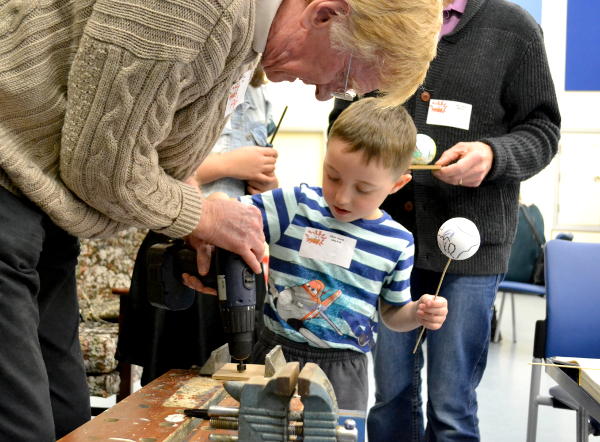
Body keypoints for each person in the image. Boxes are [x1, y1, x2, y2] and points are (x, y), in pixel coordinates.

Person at [0, 0, 443, 439]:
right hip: (8, 192)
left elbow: (158, 152)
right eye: (345, 79)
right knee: (24, 426)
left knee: (69, 419)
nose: (325, 94)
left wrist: (193, 213)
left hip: (47, 215)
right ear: (325, 14)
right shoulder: (192, 7)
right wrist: (202, 214)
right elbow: (102, 165)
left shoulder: (246, 45)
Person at [329, 0, 561, 440]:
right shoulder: (383, 13)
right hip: (387, 241)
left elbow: (543, 131)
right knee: (391, 396)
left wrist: (494, 155)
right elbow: (344, 118)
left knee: (452, 403)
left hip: (470, 250)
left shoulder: (514, 29)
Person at [195, 98, 449, 411]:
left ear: (397, 184)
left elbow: (392, 313)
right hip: (275, 352)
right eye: (333, 176)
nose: (342, 196)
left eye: (364, 189)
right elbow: (227, 217)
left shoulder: (398, 242)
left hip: (343, 371)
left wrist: (418, 314)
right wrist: (218, 202)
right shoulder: (295, 205)